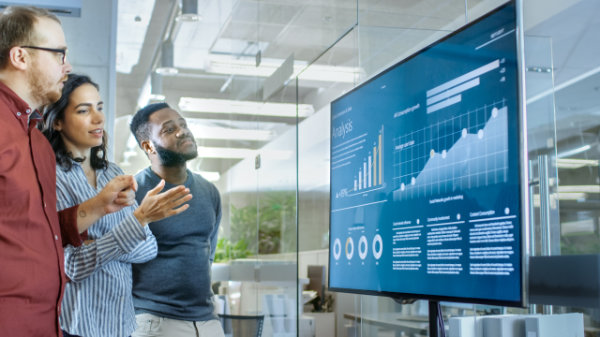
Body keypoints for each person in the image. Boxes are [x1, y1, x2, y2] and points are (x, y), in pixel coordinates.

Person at [0, 6, 139, 336]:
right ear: (20, 56)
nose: (68, 65)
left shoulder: (36, 141)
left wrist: (100, 206)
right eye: (59, 54)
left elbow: (36, 228)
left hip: (48, 322)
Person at [42, 74, 193, 337]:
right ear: (57, 121)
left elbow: (148, 248)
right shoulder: (51, 177)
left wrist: (97, 243)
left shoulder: (115, 174)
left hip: (122, 327)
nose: (99, 119)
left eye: (99, 107)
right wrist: (136, 223)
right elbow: (73, 266)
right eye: (83, 110)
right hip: (77, 328)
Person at [129, 102, 225, 337]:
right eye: (169, 129)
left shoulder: (208, 191)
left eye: (183, 125)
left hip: (207, 321)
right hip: (154, 321)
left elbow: (207, 254)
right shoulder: (132, 191)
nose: (182, 131)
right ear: (148, 146)